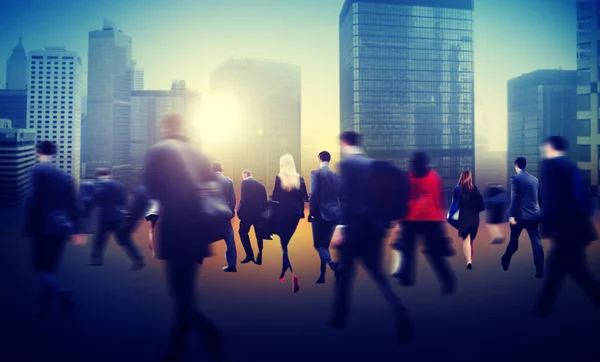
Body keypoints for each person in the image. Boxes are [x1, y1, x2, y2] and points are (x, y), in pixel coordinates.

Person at [144, 113, 225, 362]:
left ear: (166, 127)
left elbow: (151, 190)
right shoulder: (199, 154)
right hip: (198, 230)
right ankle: (184, 345)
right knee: (185, 290)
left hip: (175, 231)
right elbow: (211, 187)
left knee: (180, 292)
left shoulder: (158, 152)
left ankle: (201, 333)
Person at [330, 131, 414, 345]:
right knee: (378, 274)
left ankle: (339, 317)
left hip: (353, 230)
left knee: (346, 274)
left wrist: (340, 229)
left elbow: (347, 201)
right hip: (374, 230)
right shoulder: (371, 165)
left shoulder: (348, 165)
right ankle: (400, 310)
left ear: (343, 143)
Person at [533, 136, 600, 316]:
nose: (543, 150)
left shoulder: (551, 168)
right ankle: (543, 307)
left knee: (564, 268)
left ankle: (542, 308)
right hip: (576, 226)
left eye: (544, 147)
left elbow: (551, 200)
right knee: (571, 268)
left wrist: (547, 226)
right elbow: (582, 198)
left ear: (550, 147)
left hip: (565, 227)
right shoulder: (571, 167)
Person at [23, 141, 80, 319]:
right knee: (50, 269)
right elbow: (73, 205)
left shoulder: (37, 172)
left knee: (43, 269)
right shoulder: (65, 176)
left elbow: (33, 199)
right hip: (62, 228)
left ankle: (59, 294)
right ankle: (46, 308)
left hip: (43, 227)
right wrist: (76, 230)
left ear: (38, 152)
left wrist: (29, 225)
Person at [392, 152, 455, 295]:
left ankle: (446, 280)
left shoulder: (421, 178)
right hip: (425, 220)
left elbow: (421, 199)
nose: (414, 165)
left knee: (416, 251)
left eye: (415, 162)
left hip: (423, 219)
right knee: (415, 251)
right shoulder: (429, 177)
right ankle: (445, 280)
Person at [89, 168, 145, 270]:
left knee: (100, 239)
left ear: (98, 175)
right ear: (109, 174)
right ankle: (138, 259)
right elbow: (124, 200)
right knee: (125, 239)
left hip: (105, 216)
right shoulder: (118, 185)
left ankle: (96, 259)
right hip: (118, 216)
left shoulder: (99, 185)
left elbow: (95, 198)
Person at [501, 157, 544, 278]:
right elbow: (539, 198)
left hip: (520, 217)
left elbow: (514, 198)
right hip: (534, 216)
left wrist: (511, 215)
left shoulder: (515, 178)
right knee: (536, 243)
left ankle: (505, 259)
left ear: (516, 165)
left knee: (514, 241)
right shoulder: (535, 180)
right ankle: (540, 270)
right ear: (525, 165)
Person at [271, 154, 308, 293]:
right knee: (286, 244)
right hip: (295, 215)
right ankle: (283, 272)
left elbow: (275, 196)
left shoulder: (279, 177)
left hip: (282, 213)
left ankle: (293, 273)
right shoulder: (300, 178)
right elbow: (305, 197)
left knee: (284, 245)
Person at [309, 151, 341, 284]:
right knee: (325, 246)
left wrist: (312, 212)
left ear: (319, 159)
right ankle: (322, 275)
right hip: (335, 215)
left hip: (320, 214)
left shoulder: (315, 174)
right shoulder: (336, 176)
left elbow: (314, 194)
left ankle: (333, 265)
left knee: (318, 245)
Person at [452, 170, 484, 270]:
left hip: (463, 217)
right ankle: (470, 260)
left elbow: (455, 204)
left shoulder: (457, 189)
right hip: (474, 217)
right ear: (470, 178)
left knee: (466, 239)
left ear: (461, 177)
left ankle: (468, 262)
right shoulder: (475, 189)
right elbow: (480, 204)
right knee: (471, 241)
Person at [238, 169, 267, 265]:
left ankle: (249, 255)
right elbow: (265, 202)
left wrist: (239, 212)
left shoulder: (244, 183)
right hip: (258, 215)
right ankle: (260, 256)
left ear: (244, 175)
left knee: (242, 233)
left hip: (247, 215)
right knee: (259, 235)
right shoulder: (261, 186)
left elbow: (243, 199)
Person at [213, 163, 237, 272]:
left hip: (212, 214)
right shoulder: (228, 181)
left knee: (203, 236)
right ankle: (232, 265)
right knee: (229, 238)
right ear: (221, 169)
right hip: (225, 214)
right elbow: (233, 199)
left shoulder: (208, 181)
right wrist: (230, 212)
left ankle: (198, 259)